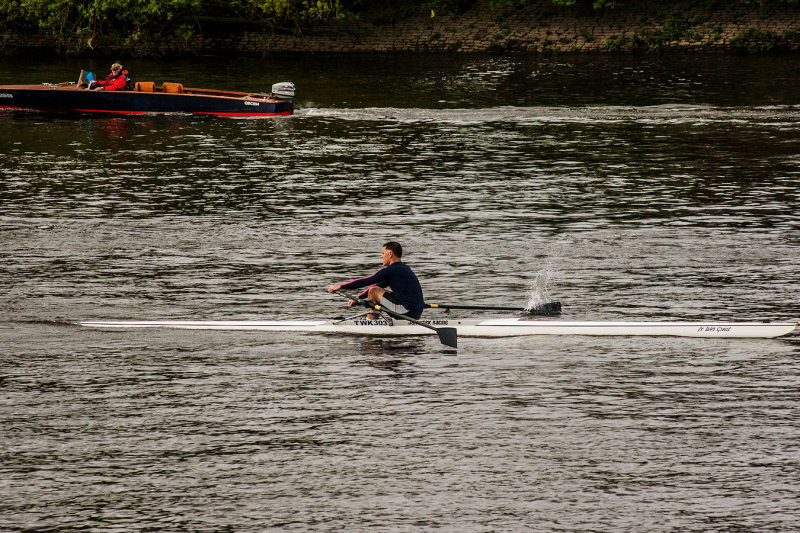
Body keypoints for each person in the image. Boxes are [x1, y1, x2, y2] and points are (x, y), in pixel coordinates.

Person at [327, 241, 425, 319]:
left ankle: (371, 322)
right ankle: (373, 321)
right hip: (416, 312)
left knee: (373, 291)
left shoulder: (390, 270)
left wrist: (340, 286)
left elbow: (366, 281)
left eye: (383, 253)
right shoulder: (404, 269)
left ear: (390, 254)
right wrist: (358, 298)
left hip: (405, 311)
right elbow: (378, 285)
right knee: (376, 289)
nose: (381, 256)